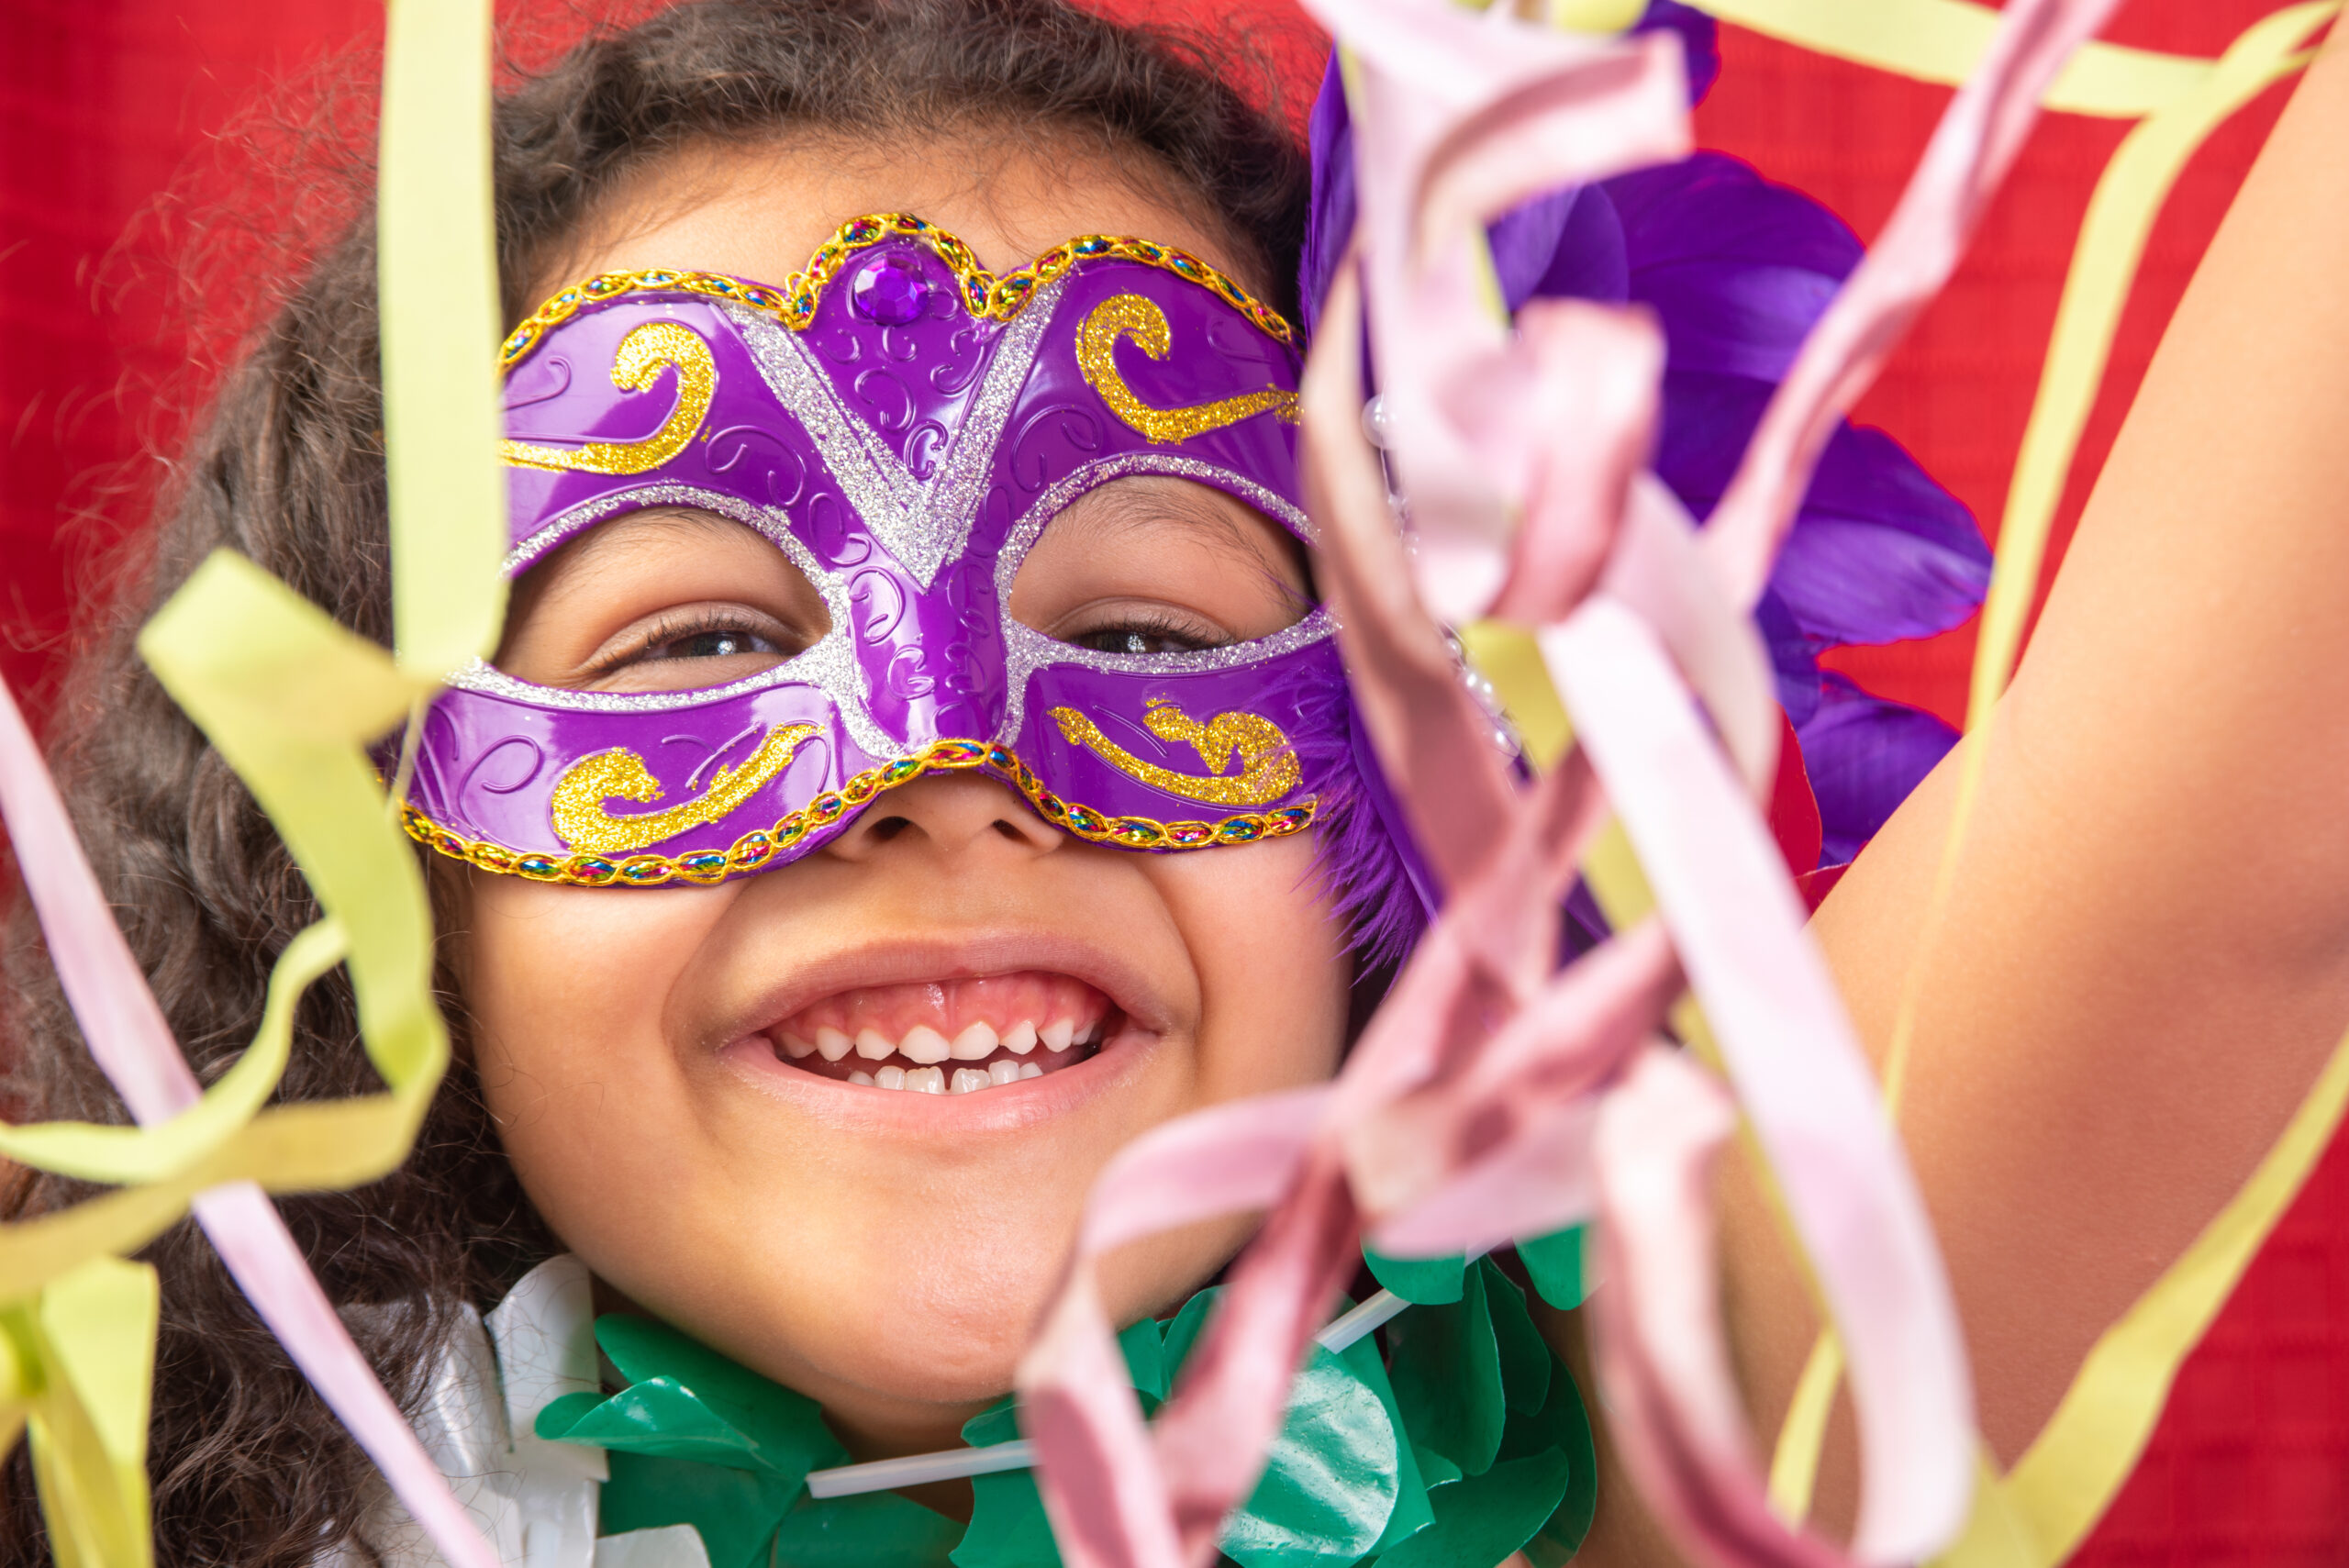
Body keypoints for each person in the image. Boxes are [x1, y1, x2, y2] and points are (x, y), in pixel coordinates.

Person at [4, 0, 2343, 1565]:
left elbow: (2242, 853)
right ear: (381, 863)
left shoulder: (1684, 1430)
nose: (938, 759)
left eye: (1140, 635)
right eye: (699, 641)